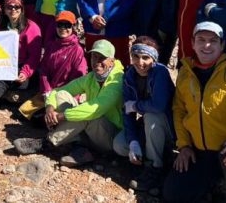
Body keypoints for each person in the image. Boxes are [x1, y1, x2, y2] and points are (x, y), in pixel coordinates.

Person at [163, 21, 226, 203]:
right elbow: (179, 111)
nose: (206, 45)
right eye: (201, 39)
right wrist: (184, 146)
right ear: (193, 43)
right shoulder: (185, 74)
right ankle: (212, 187)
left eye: (213, 41)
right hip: (198, 152)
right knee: (173, 194)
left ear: (222, 45)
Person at [12, 40, 124, 168]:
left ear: (112, 61)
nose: (97, 61)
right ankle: (79, 148)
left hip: (110, 137)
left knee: (87, 115)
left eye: (102, 58)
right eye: (94, 56)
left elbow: (95, 108)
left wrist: (61, 116)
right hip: (91, 131)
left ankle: (47, 143)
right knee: (61, 96)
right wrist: (49, 108)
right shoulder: (91, 78)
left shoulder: (116, 81)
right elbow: (57, 91)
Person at [112, 36, 175, 196]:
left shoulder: (160, 72)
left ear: (153, 58)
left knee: (151, 116)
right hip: (149, 127)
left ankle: (155, 166)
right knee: (120, 145)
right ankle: (155, 154)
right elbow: (127, 110)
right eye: (136, 56)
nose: (140, 62)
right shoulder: (129, 76)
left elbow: (159, 105)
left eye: (145, 57)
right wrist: (133, 141)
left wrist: (136, 106)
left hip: (168, 125)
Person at [17, 11, 87, 120]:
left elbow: (79, 79)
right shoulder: (51, 45)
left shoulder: (77, 50)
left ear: (73, 27)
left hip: (66, 94)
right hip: (49, 92)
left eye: (67, 25)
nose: (63, 28)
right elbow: (43, 71)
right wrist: (46, 91)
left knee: (43, 117)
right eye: (60, 24)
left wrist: (70, 96)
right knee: (24, 112)